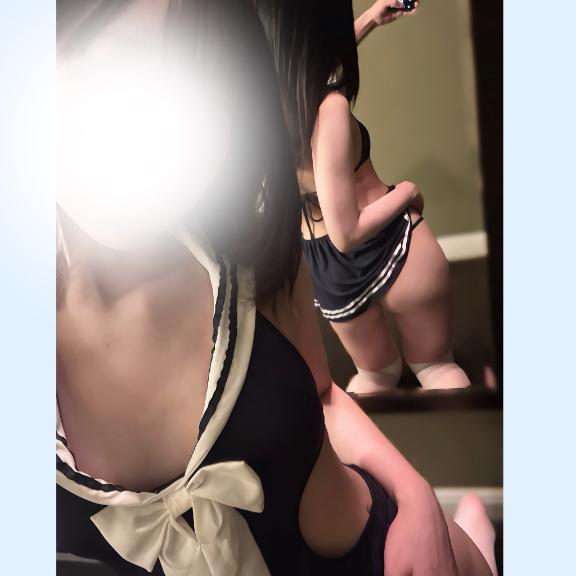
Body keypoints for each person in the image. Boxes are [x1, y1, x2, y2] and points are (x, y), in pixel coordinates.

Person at [56, 0, 496, 574]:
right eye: (117, 64)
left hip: (381, 551)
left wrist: (417, 500)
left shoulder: (246, 250)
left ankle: (475, 534)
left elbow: (322, 394)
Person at [254, 0, 471, 394]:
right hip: (390, 244)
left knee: (375, 377)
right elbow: (347, 232)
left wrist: (370, 18)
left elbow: (306, 61)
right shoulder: (329, 109)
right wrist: (407, 191)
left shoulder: (258, 108)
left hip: (328, 268)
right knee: (436, 366)